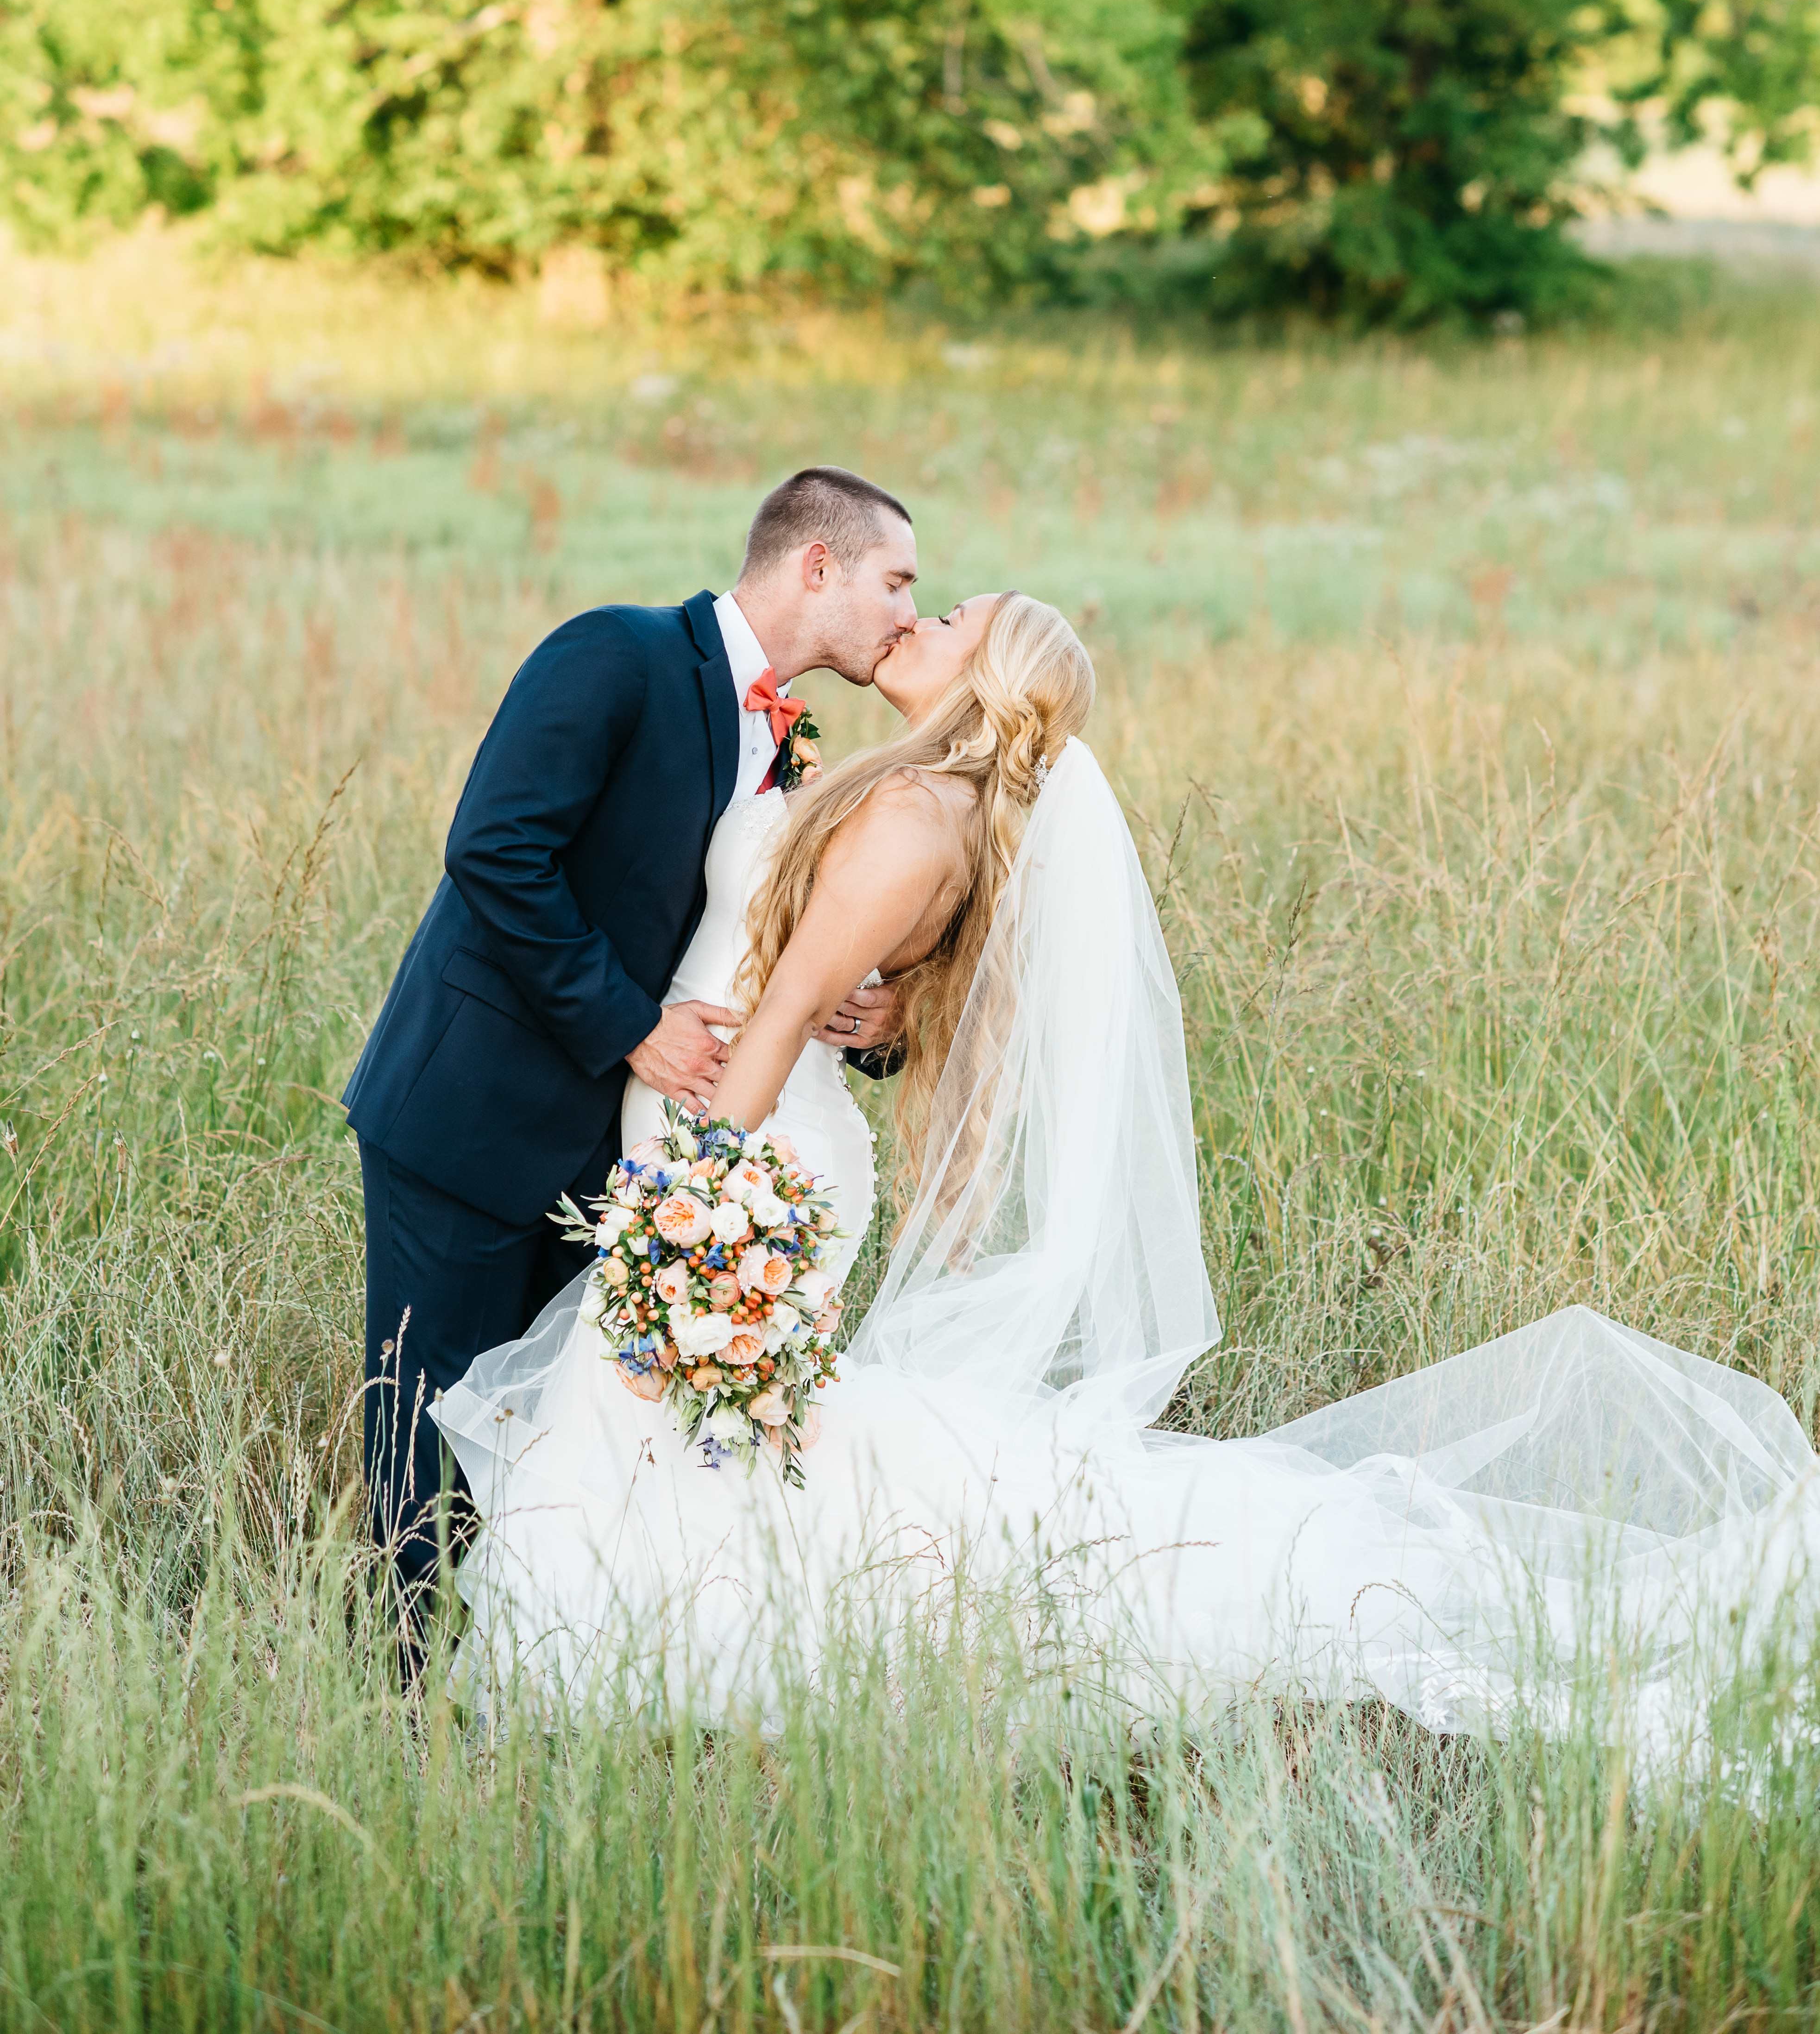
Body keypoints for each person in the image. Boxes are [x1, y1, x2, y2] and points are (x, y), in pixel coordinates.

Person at [436, 592, 1820, 1747]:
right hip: (743, 1131)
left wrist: (692, 1207)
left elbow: (791, 1005)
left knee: (697, 1411)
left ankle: (681, 1657)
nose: (921, 615)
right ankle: (673, 1645)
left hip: (747, 1149)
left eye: (952, 613)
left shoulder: (917, 810)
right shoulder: (926, 799)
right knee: (720, 1428)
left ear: (986, 672)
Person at [343, 465, 918, 1632]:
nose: (910, 612)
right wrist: (633, 1024)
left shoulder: (791, 743)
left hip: (622, 1159)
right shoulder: (618, 653)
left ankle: (516, 1666)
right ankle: (400, 1685)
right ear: (819, 567)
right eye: (897, 582)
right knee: (431, 1421)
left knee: (548, 1434)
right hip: (477, 1112)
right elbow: (496, 849)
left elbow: (750, 933)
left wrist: (875, 1020)